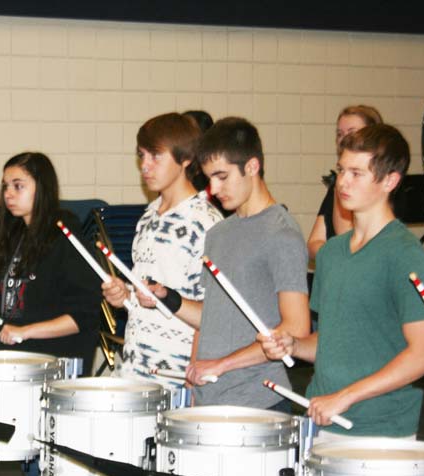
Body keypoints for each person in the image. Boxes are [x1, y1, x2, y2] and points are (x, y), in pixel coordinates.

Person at [0, 152, 130, 476]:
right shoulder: (17, 237)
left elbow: (81, 316)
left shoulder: (65, 235)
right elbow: (23, 305)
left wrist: (27, 332)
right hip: (26, 366)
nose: (8, 194)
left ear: (42, 189)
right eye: (6, 185)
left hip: (59, 366)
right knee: (38, 463)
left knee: (64, 467)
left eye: (19, 185)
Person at [259, 124, 424, 439]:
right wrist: (295, 345)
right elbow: (333, 342)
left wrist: (346, 396)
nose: (342, 181)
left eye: (357, 173)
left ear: (390, 181)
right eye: (341, 170)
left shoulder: (404, 254)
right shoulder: (330, 254)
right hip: (321, 418)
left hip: (379, 429)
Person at [133, 117, 310, 410]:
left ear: (252, 167)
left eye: (222, 176)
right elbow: (211, 317)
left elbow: (297, 328)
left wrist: (223, 364)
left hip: (257, 400)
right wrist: (170, 300)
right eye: (209, 178)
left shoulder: (282, 234)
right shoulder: (218, 234)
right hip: (210, 397)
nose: (213, 189)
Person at [101, 113, 223, 391]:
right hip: (134, 369)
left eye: (156, 156)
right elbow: (148, 298)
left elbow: (214, 316)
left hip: (176, 379)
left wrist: (192, 386)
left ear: (185, 159)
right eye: (141, 156)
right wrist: (125, 296)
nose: (145, 166)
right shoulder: (148, 217)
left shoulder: (206, 223)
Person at [307, 105, 383, 260]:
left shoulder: (378, 185)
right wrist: (335, 257)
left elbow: (347, 239)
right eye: (340, 134)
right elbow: (313, 243)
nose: (344, 140)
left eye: (352, 132)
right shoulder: (337, 185)